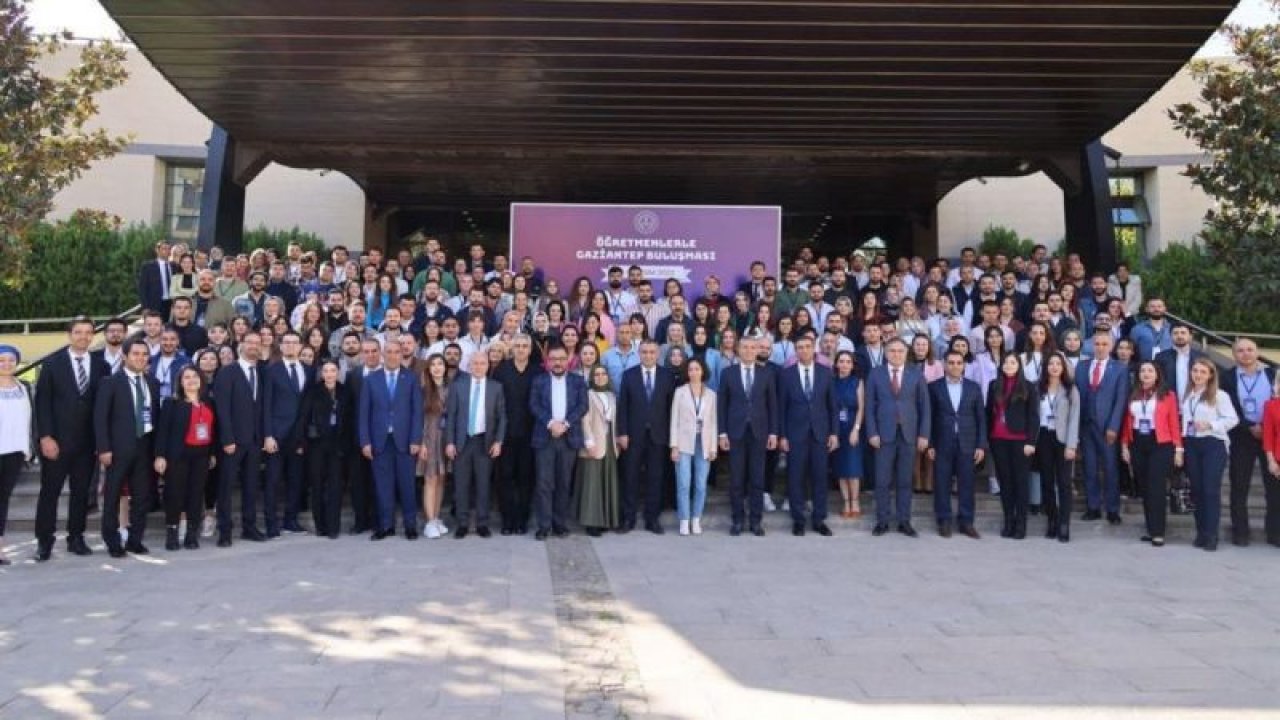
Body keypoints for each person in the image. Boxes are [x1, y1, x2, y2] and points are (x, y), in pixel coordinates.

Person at [34, 317, 107, 561]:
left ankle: (76, 537)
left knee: (81, 493)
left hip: (87, 445)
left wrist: (101, 442)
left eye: (88, 332)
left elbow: (103, 407)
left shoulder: (101, 366)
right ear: (69, 335)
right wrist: (45, 436)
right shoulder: (52, 364)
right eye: (79, 332)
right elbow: (42, 404)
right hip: (56, 441)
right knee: (50, 493)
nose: (84, 337)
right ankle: (44, 541)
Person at [94, 338, 161, 557]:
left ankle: (135, 540)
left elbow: (155, 416)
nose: (141, 358)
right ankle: (112, 541)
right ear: (124, 356)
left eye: (144, 354)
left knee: (142, 497)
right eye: (136, 354)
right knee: (112, 496)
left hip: (144, 447)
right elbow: (100, 418)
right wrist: (103, 448)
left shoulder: (152, 382)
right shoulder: (110, 383)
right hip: (117, 448)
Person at [866, 338, 931, 537]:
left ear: (906, 352)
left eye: (900, 351)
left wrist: (924, 434)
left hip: (909, 434)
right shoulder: (875, 373)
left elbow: (925, 407)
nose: (896, 354)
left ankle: (904, 521)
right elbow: (869, 406)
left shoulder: (916, 374)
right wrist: (872, 432)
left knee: (905, 481)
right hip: (883, 435)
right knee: (882, 480)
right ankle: (882, 521)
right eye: (892, 351)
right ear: (886, 353)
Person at [361, 341, 425, 540]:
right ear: (382, 354)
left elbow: (417, 412)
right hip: (380, 441)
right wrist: (365, 441)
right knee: (383, 485)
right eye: (388, 352)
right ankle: (385, 525)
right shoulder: (371, 379)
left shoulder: (411, 378)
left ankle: (410, 525)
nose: (392, 355)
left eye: (396, 352)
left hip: (405, 441)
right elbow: (364, 413)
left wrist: (416, 438)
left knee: (407, 485)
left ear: (401, 354)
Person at [1219, 338, 1278, 547]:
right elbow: (1227, 406)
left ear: (1257, 351)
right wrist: (1248, 426)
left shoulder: (1273, 374)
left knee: (1275, 487)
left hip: (1271, 437)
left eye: (1250, 350)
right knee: (1239, 486)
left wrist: (1265, 427)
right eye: (1241, 351)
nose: (1246, 354)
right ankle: (1240, 533)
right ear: (1234, 355)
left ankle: (1275, 532)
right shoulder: (1226, 377)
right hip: (1241, 436)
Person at [778, 334, 839, 537]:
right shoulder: (786, 375)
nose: (803, 350)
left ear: (814, 349)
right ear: (796, 351)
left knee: (820, 477)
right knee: (795, 477)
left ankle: (819, 519)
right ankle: (798, 519)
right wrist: (783, 436)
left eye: (807, 346)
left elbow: (832, 406)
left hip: (820, 433)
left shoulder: (825, 372)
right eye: (800, 347)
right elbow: (782, 408)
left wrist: (834, 433)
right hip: (795, 434)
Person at [717, 334, 777, 536]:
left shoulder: (766, 373)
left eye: (753, 348)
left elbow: (772, 406)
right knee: (736, 479)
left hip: (759, 433)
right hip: (735, 433)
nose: (749, 351)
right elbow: (722, 405)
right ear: (738, 350)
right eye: (745, 347)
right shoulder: (727, 373)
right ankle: (737, 520)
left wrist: (773, 433)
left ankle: (756, 521)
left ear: (758, 350)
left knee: (757, 479)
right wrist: (722, 433)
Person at [1120, 361, 1183, 548]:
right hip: (1138, 442)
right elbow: (1127, 422)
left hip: (1161, 443)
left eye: (1150, 371)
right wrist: (1124, 445)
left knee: (1156, 487)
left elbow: (1174, 424)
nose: (1146, 374)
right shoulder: (1134, 395)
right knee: (1145, 488)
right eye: (1142, 371)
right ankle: (1150, 528)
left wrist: (1178, 449)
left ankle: (1158, 532)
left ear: (1157, 374)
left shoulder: (1168, 396)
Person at [443, 350, 504, 539]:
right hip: (462, 442)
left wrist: (499, 441)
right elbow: (451, 416)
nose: (478, 367)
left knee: (483, 484)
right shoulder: (458, 386)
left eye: (482, 363)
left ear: (488, 366)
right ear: (469, 366)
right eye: (475, 363)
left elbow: (502, 417)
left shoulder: (496, 387)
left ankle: (482, 523)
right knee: (461, 484)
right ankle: (462, 523)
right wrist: (450, 442)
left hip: (484, 441)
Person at [213, 332, 266, 547]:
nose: (253, 346)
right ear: (240, 345)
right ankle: (224, 531)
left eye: (257, 343)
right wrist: (227, 438)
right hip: (232, 441)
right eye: (249, 342)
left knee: (251, 486)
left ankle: (249, 526)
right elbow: (222, 409)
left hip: (254, 441)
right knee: (225, 487)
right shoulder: (227, 372)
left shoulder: (262, 372)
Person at [153, 366, 215, 551]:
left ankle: (191, 534)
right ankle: (172, 532)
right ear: (180, 382)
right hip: (178, 455)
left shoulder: (209, 402)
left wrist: (211, 453)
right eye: (186, 377)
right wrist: (160, 455)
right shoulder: (171, 403)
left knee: (196, 495)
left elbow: (213, 431)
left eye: (195, 376)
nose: (191, 380)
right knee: (175, 494)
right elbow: (163, 431)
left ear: (201, 380)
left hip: (201, 455)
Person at [927, 350, 987, 539]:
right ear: (944, 365)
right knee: (942, 483)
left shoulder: (974, 388)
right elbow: (929, 417)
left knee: (967, 484)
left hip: (967, 443)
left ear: (963, 365)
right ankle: (944, 520)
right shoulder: (934, 387)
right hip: (942, 441)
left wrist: (980, 445)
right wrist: (929, 443)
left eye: (958, 363)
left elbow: (980, 419)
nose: (955, 366)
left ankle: (966, 522)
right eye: (951, 362)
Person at [617, 340, 675, 534]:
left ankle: (652, 519)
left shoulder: (667, 376)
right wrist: (623, 433)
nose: (648, 355)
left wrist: (671, 437)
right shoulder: (629, 375)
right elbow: (622, 406)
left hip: (659, 436)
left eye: (652, 352)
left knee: (655, 477)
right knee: (630, 477)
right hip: (633, 436)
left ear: (657, 354)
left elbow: (671, 409)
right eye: (644, 352)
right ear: (639, 354)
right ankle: (628, 517)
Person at [530, 344, 588, 539]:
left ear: (568, 361)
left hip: (568, 437)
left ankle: (560, 523)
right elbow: (534, 405)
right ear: (548, 361)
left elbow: (582, 406)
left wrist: (565, 424)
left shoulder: (578, 381)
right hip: (544, 438)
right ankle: (544, 526)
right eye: (553, 359)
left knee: (564, 483)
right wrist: (550, 423)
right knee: (544, 483)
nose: (558, 362)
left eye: (562, 359)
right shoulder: (539, 381)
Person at [1182, 358, 1240, 551]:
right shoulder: (1188, 395)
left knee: (1210, 489)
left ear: (1210, 375)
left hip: (1213, 443)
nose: (1198, 375)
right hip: (1191, 443)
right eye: (1195, 371)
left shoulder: (1219, 395)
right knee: (1197, 490)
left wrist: (1211, 425)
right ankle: (1201, 532)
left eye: (1202, 372)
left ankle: (1211, 534)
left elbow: (1232, 419)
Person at [1075, 332, 1129, 525]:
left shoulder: (1120, 369)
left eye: (1104, 344)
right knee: (1089, 468)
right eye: (1097, 344)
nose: (1100, 347)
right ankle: (1093, 507)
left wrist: (1114, 426)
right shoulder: (1081, 367)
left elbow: (1121, 400)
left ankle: (1113, 509)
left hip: (1107, 427)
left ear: (1111, 346)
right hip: (1086, 425)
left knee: (1110, 469)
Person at [986, 353, 1040, 539]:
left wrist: (1031, 441)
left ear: (1019, 365)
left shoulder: (1029, 387)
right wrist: (987, 438)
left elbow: (1034, 416)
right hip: (998, 439)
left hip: (1020, 441)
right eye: (1006, 362)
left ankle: (1021, 523)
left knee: (1020, 483)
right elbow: (988, 413)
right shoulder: (994, 385)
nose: (1008, 365)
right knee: (1005, 482)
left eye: (1012, 362)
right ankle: (1008, 520)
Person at [263, 330, 311, 535]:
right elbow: (265, 405)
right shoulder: (271, 370)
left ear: (301, 346)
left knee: (295, 481)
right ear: (281, 346)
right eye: (287, 343)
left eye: (295, 342)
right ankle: (271, 524)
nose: (291, 346)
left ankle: (290, 520)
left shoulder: (309, 370)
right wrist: (268, 435)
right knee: (273, 481)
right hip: (276, 435)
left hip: (299, 436)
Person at [298, 359, 350, 540]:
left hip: (337, 446)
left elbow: (350, 418)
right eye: (326, 371)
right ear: (322, 374)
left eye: (332, 370)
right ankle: (321, 525)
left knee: (335, 487)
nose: (329, 374)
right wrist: (301, 442)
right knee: (318, 486)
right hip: (316, 445)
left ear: (338, 373)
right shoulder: (313, 391)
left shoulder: (344, 391)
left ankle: (333, 527)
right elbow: (303, 417)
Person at [669, 357, 718, 536]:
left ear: (703, 371)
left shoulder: (712, 394)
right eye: (690, 369)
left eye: (697, 369)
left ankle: (696, 518)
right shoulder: (680, 392)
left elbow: (713, 422)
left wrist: (713, 447)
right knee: (683, 482)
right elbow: (674, 420)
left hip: (703, 443)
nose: (694, 372)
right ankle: (684, 520)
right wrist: (673, 446)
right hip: (683, 441)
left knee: (700, 484)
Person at [1037, 353, 1080, 542]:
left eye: (1058, 364)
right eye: (1051, 363)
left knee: (1063, 482)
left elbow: (1074, 419)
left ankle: (1064, 523)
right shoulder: (1038, 389)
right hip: (1043, 437)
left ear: (1063, 368)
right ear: (1046, 367)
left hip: (1062, 439)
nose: (1054, 367)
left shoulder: (1070, 390)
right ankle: (1052, 520)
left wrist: (1071, 445)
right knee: (1046, 481)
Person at [576, 364, 620, 536]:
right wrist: (589, 441)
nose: (600, 377)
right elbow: (584, 420)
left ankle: (606, 519)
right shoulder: (588, 395)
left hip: (609, 443)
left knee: (607, 480)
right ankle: (591, 522)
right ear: (592, 378)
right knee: (592, 483)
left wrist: (616, 441)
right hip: (594, 442)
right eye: (597, 374)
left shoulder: (611, 396)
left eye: (603, 374)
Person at [0, 345, 34, 565]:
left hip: (14, 452)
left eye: (11, 360)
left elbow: (29, 419)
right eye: (1, 360)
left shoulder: (25, 387)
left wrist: (28, 449)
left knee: (2, 500)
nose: (6, 364)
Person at [417, 354, 451, 539]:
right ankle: (429, 521)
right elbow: (419, 419)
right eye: (433, 365)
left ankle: (436, 517)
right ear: (428, 369)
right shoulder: (423, 390)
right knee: (430, 479)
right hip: (429, 438)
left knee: (441, 479)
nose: (437, 367)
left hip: (446, 438)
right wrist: (421, 442)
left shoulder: (451, 388)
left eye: (440, 364)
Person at [831, 351, 865, 519]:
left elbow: (861, 407)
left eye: (848, 362)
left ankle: (855, 502)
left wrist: (856, 429)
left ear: (852, 365)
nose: (844, 364)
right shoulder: (831, 382)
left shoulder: (857, 382)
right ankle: (846, 502)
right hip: (836, 428)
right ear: (836, 364)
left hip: (852, 427)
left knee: (852, 468)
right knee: (841, 469)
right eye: (841, 361)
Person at [138, 241, 174, 316]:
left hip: (171, 304)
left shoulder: (174, 266)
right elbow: (142, 288)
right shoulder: (148, 267)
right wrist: (145, 307)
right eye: (164, 248)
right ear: (157, 250)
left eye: (168, 249)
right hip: (154, 305)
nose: (167, 251)